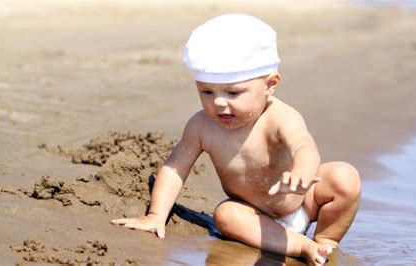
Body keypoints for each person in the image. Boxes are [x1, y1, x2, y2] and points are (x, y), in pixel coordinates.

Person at [112, 14, 361, 265]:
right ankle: (300, 246)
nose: (219, 102)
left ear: (270, 84)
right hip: (252, 214)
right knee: (225, 215)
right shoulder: (202, 126)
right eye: (207, 92)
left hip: (302, 201)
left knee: (344, 176)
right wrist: (156, 215)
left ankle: (326, 240)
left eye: (233, 92)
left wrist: (301, 174)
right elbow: (175, 169)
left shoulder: (280, 116)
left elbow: (304, 146)